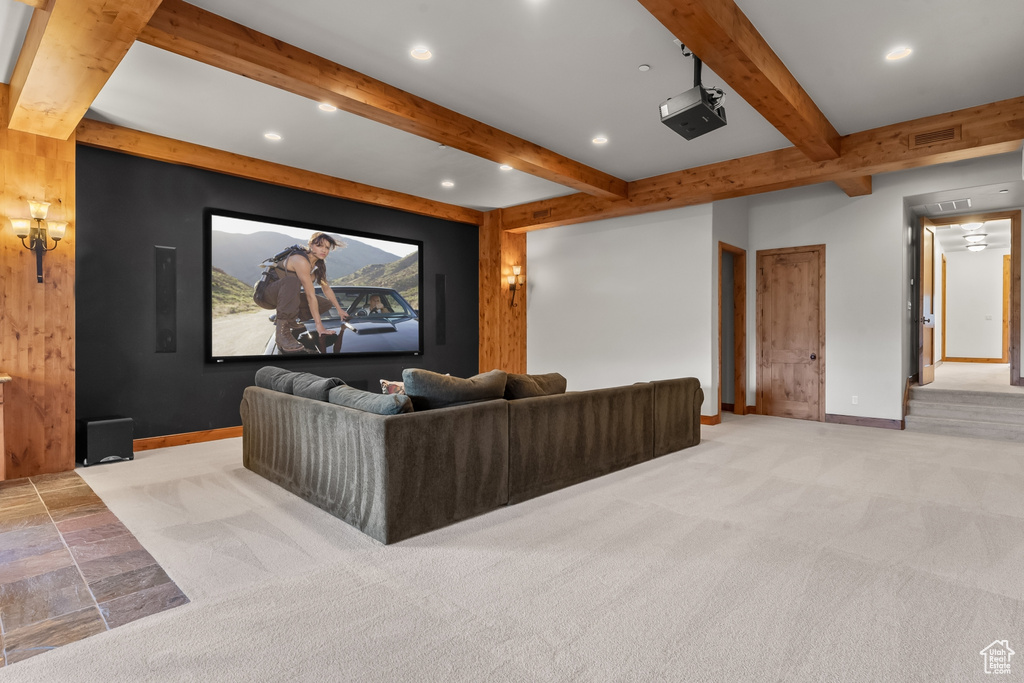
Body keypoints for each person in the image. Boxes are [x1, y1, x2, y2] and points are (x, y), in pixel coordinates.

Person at [254, 232, 350, 353]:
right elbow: (310, 295)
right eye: (320, 246)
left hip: (284, 296)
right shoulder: (300, 260)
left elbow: (326, 288)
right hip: (265, 295)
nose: (324, 250)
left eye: (327, 247)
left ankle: (291, 320)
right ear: (310, 244)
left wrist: (339, 309)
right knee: (292, 281)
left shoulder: (318, 266)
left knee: (325, 304)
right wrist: (319, 326)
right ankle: (282, 334)